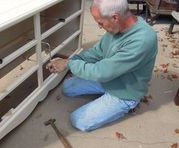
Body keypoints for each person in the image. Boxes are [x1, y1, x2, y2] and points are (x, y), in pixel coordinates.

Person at [46, 0, 157, 132]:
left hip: (125, 91)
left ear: (115, 17)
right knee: (68, 87)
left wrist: (69, 64)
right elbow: (97, 53)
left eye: (100, 22)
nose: (99, 26)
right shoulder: (117, 27)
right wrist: (71, 60)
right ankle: (105, 94)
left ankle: (127, 105)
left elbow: (101, 72)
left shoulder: (142, 40)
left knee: (79, 121)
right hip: (109, 78)